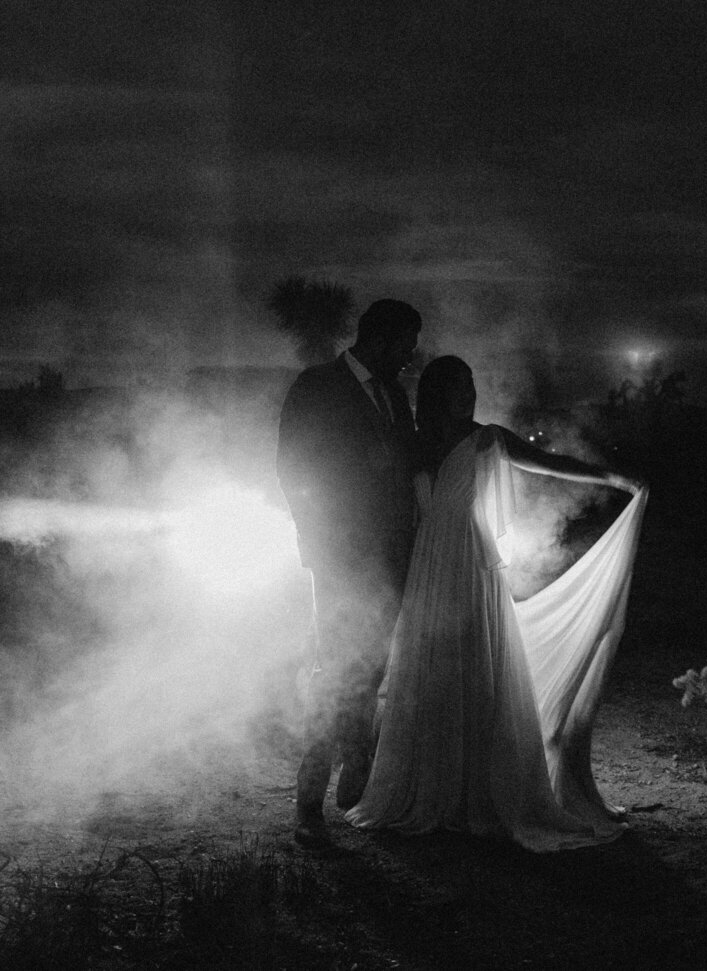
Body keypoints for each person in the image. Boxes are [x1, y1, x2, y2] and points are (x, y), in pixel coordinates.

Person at [347, 355, 647, 852]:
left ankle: (479, 793)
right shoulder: (414, 444)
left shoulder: (488, 438)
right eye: (460, 386)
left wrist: (615, 479)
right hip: (429, 567)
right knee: (434, 669)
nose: (470, 393)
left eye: (471, 384)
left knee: (477, 666)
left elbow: (553, 464)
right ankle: (437, 791)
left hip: (472, 563)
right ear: (440, 393)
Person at [276, 299, 422, 849]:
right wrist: (314, 541)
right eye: (405, 347)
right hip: (339, 557)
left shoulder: (395, 395)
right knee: (334, 671)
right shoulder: (317, 386)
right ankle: (309, 802)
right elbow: (294, 467)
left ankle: (357, 768)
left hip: (390, 557)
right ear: (380, 341)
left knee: (372, 668)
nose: (408, 359)